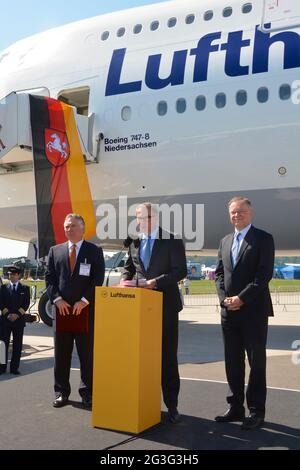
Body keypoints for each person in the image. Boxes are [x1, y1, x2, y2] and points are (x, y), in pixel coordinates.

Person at [121, 202, 187, 423]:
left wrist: (154, 283)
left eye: (147, 217)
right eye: (139, 217)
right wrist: (124, 280)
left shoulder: (172, 239)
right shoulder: (134, 241)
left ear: (156, 218)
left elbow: (180, 270)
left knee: (167, 358)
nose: (143, 221)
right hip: (139, 308)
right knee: (141, 358)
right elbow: (130, 267)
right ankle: (144, 402)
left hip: (166, 307)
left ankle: (172, 405)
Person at [215, 197, 275, 430]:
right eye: (232, 212)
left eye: (241, 211)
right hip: (229, 312)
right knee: (232, 361)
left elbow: (264, 275)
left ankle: (256, 411)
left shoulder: (263, 239)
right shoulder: (225, 241)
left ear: (251, 213)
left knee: (256, 363)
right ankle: (235, 406)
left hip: (253, 311)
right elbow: (219, 275)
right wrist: (225, 300)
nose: (236, 215)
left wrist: (242, 298)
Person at [45, 214, 105, 409]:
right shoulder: (55, 251)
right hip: (61, 312)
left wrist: (84, 301)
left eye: (72, 226)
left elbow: (98, 278)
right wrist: (57, 299)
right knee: (61, 355)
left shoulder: (94, 251)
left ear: (83, 228)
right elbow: (49, 279)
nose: (68, 229)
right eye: (66, 226)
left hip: (84, 311)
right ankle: (61, 392)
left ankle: (87, 393)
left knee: (86, 355)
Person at [0, 266, 30, 375]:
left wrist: (16, 315)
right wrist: (8, 314)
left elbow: (26, 304)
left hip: (18, 321)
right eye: (9, 274)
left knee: (17, 345)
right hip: (5, 321)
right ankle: (2, 368)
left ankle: (14, 368)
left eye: (13, 274)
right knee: (3, 345)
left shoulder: (25, 288)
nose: (11, 276)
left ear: (18, 276)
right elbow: (1, 303)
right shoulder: (3, 288)